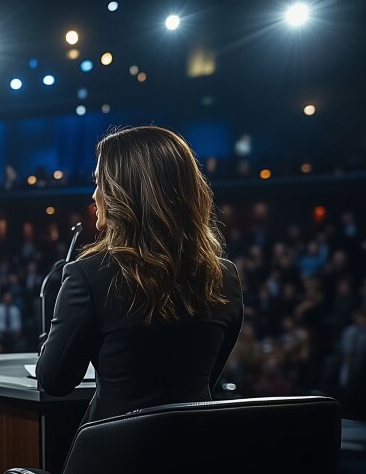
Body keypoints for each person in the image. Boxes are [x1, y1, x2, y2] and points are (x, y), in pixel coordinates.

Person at [37, 126, 244, 424]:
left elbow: (54, 382)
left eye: (101, 183)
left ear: (126, 193)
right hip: (196, 463)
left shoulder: (88, 275)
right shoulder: (225, 277)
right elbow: (206, 380)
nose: (94, 195)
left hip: (109, 466)